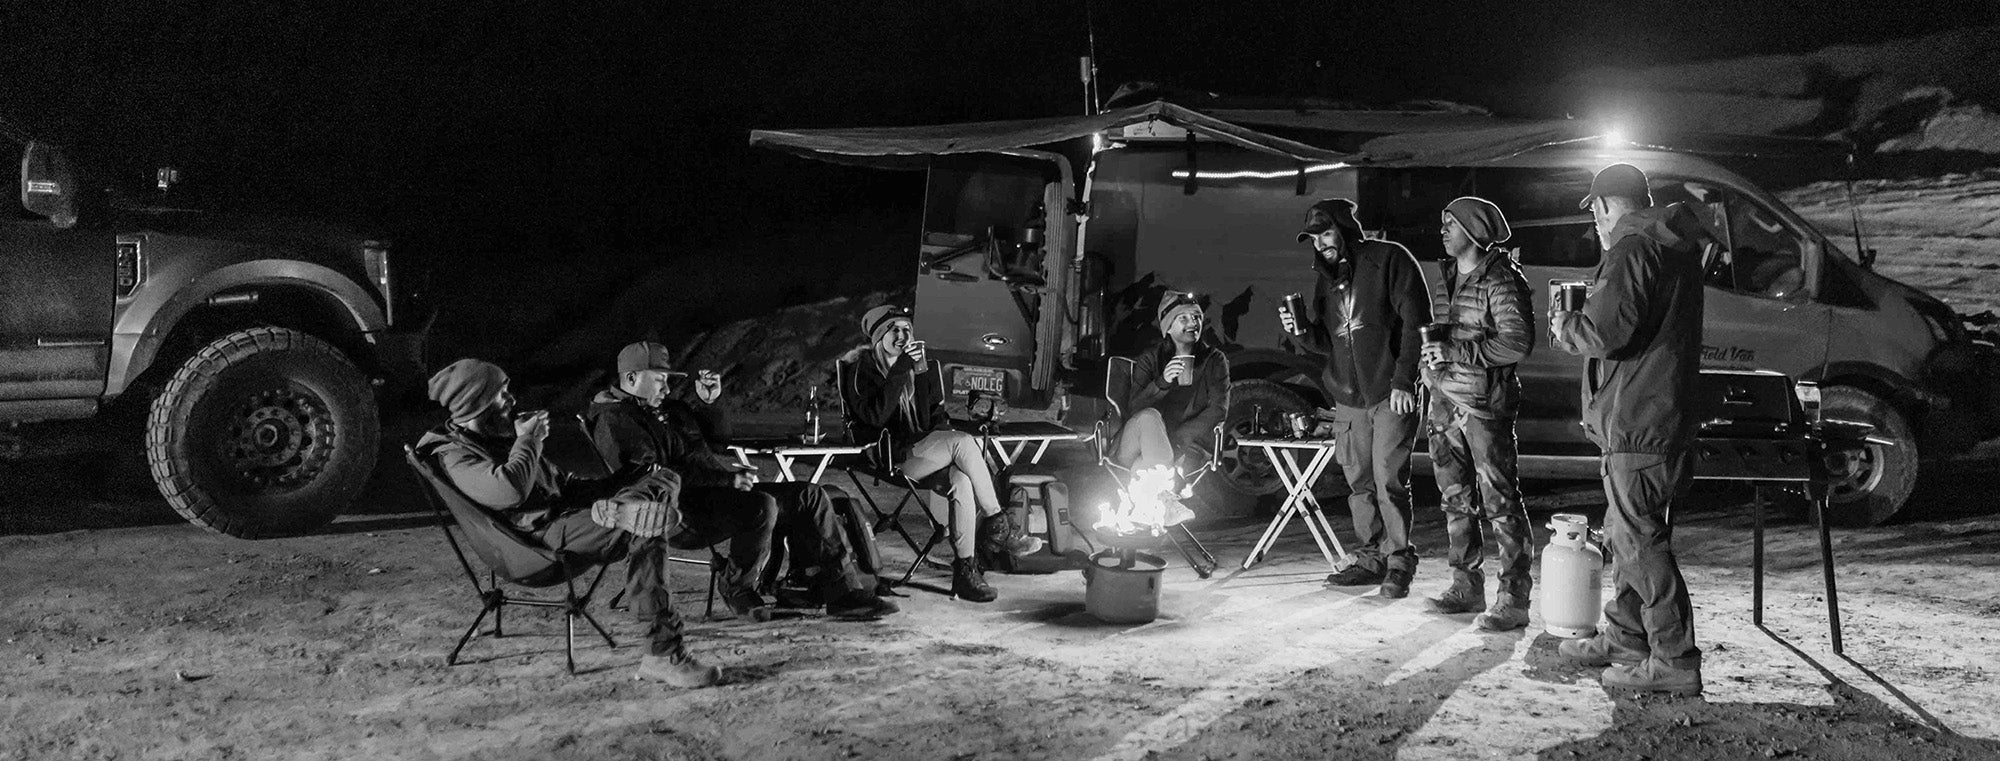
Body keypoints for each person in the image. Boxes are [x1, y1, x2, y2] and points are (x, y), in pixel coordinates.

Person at [413, 358, 719, 688]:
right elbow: (509, 492)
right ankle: (662, 653)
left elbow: (564, 485)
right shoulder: (456, 455)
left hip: (567, 515)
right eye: (503, 394)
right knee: (644, 527)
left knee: (662, 478)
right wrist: (528, 441)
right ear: (478, 403)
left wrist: (616, 484)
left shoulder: (496, 438)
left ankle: (622, 508)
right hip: (536, 542)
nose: (513, 400)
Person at [587, 341, 899, 621]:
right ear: (631, 379)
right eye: (659, 380)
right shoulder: (615, 421)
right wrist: (726, 479)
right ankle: (737, 587)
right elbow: (654, 477)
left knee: (809, 494)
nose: (667, 389)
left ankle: (840, 592)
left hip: (716, 494)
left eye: (668, 380)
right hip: (678, 511)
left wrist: (710, 403)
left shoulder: (670, 410)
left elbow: (721, 439)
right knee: (760, 505)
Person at [1550, 163, 1710, 696]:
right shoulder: (1669, 246)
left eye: (1593, 212)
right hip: (1658, 412)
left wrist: (1565, 324)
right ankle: (1625, 639)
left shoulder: (1631, 248)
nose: (1594, 223)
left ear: (1600, 206)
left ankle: (1675, 659)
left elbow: (1606, 331)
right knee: (1627, 534)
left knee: (1640, 541)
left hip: (1638, 417)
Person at [838, 304, 1043, 603]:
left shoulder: (920, 368)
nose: (902, 335)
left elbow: (928, 422)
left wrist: (920, 375)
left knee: (961, 479)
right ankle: (1000, 525)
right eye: (893, 330)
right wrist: (901, 369)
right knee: (962, 442)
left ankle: (966, 573)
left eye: (907, 329)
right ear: (879, 336)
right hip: (889, 456)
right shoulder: (862, 370)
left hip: (922, 450)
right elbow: (874, 416)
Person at [1280, 198, 1430, 598]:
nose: (1319, 244)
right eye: (1313, 238)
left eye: (1325, 234)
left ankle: (1399, 563)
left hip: (1388, 393)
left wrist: (1404, 381)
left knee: (1388, 481)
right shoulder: (1326, 280)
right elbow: (1326, 342)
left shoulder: (1389, 259)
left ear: (1345, 228)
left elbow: (1417, 324)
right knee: (1359, 483)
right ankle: (1370, 560)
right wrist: (1298, 332)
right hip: (1348, 398)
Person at [1421, 196, 1537, 630]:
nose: (1443, 230)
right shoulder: (1447, 276)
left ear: (1473, 230)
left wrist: (1456, 350)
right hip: (1445, 399)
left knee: (1500, 501)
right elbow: (1441, 335)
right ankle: (1465, 586)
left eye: (1451, 223)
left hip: (1484, 406)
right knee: (1455, 498)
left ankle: (1514, 598)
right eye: (1443, 222)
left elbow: (1516, 343)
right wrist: (1429, 366)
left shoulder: (1501, 279)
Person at [1110, 290, 1229, 477]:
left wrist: (1178, 441)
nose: (1193, 323)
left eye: (1196, 317)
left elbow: (1218, 410)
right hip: (1137, 442)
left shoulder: (1214, 360)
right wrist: (1162, 382)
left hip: (1188, 446)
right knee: (1149, 416)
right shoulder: (1150, 358)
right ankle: (1166, 486)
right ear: (1168, 326)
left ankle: (1160, 493)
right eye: (1183, 318)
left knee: (1143, 467)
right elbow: (1135, 408)